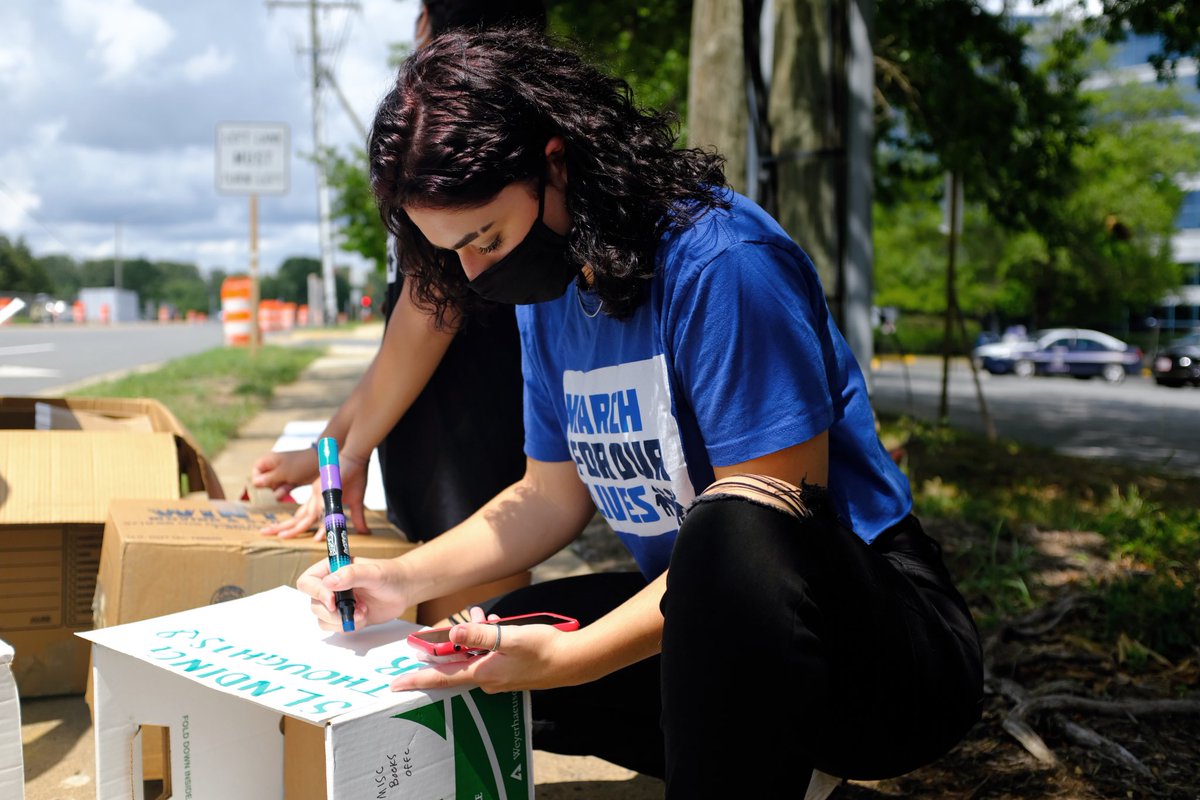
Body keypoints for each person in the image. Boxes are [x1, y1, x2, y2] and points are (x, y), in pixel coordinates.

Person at [297, 27, 984, 797]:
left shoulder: (723, 263)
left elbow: (767, 534)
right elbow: (547, 496)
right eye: (452, 250)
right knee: (498, 635)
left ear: (556, 162)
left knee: (730, 526)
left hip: (886, 645)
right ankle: (784, 765)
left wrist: (574, 659)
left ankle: (769, 759)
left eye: (485, 237)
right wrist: (397, 579)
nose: (475, 271)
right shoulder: (552, 291)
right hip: (711, 619)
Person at [251, 0, 545, 623]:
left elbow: (427, 319)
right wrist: (333, 446)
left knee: (463, 636)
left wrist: (349, 453)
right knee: (430, 626)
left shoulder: (458, 151)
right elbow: (397, 347)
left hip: (472, 438)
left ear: (427, 23)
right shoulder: (441, 153)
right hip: (434, 434)